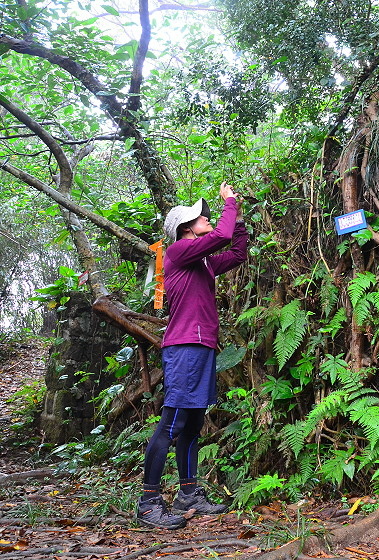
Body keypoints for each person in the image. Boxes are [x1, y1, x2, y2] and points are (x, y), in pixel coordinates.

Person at [136, 182, 248, 530]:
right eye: (204, 218)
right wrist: (229, 203)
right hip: (184, 346)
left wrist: (239, 218)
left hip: (201, 347)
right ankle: (149, 502)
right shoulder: (177, 253)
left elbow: (238, 252)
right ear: (188, 228)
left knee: (193, 423)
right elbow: (223, 236)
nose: (209, 220)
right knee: (171, 422)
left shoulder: (202, 263)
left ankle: (188, 494)